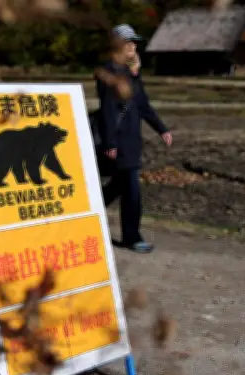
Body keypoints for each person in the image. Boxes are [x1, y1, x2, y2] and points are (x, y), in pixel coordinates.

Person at [95, 24, 172, 253]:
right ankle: (131, 236)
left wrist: (161, 129)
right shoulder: (109, 72)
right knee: (131, 190)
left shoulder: (131, 72)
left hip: (132, 139)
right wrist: (109, 142)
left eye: (134, 42)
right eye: (128, 42)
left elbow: (142, 104)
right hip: (118, 140)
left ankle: (89, 213)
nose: (133, 46)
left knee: (118, 185)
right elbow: (109, 109)